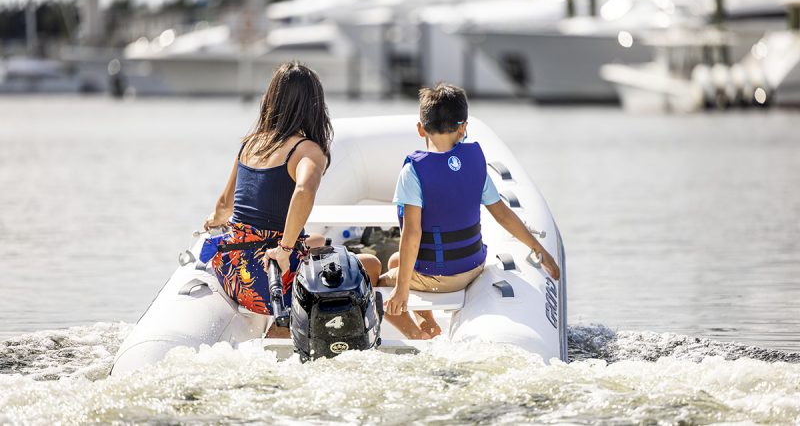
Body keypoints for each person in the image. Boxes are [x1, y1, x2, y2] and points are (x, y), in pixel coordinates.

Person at [203, 62, 381, 334]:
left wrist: (213, 221)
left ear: (271, 100)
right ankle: (285, 331)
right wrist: (285, 250)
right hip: (270, 276)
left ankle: (282, 327)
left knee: (317, 240)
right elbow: (304, 190)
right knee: (370, 264)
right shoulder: (307, 150)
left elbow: (224, 207)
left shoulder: (251, 144)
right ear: (315, 105)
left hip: (233, 272)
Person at [379, 83, 560, 339]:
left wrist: (400, 291)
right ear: (463, 127)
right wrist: (538, 249)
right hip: (473, 267)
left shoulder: (413, 171)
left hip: (438, 276)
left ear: (420, 129)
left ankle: (415, 334)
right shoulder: (474, 162)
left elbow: (412, 234)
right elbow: (503, 214)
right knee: (396, 261)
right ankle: (427, 320)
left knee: (374, 281)